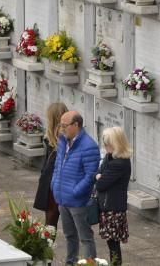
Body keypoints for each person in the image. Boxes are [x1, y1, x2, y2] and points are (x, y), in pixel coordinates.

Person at [53, 110, 101, 263]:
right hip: (62, 198)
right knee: (69, 236)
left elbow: (90, 176)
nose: (62, 129)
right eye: (61, 125)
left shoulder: (89, 146)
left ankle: (89, 264)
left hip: (78, 201)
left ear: (76, 125)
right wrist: (54, 185)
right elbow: (57, 166)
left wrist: (76, 191)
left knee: (85, 238)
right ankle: (70, 262)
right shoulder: (62, 140)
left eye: (65, 125)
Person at [96, 126, 132, 266]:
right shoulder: (110, 157)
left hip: (113, 209)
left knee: (113, 244)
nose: (105, 147)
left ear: (116, 143)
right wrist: (99, 175)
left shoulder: (119, 163)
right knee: (111, 243)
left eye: (107, 144)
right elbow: (98, 172)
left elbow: (100, 184)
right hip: (109, 206)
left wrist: (100, 176)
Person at [34, 102, 69, 231]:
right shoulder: (54, 139)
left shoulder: (57, 139)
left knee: (50, 222)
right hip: (57, 185)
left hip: (52, 185)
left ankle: (46, 248)